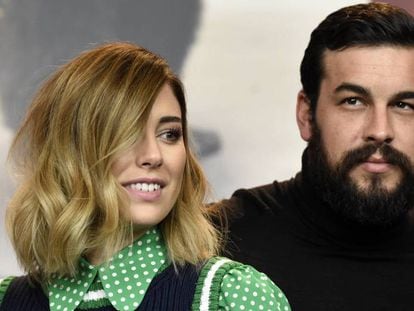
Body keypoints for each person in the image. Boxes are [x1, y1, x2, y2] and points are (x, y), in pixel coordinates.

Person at [0, 43, 290, 311]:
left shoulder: (231, 297)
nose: (154, 155)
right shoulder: (8, 301)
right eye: (128, 134)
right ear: (72, 152)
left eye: (169, 134)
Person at [223, 3, 414, 311]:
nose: (380, 130)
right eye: (353, 101)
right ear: (306, 115)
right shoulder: (219, 244)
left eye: (403, 105)